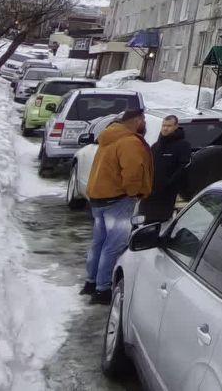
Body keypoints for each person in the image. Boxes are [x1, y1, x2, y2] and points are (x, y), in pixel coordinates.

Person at [82, 109, 152, 304]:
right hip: (117, 200)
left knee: (98, 242)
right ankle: (103, 289)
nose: (145, 123)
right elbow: (132, 172)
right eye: (143, 119)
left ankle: (90, 282)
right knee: (113, 245)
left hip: (99, 199)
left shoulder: (109, 136)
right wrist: (133, 193)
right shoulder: (129, 141)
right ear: (136, 120)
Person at [137, 115, 191, 224]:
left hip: (166, 196)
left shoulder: (183, 145)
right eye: (164, 125)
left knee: (161, 224)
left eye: (169, 126)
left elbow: (183, 168)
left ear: (176, 126)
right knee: (143, 223)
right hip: (149, 195)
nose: (165, 128)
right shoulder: (156, 146)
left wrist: (168, 184)